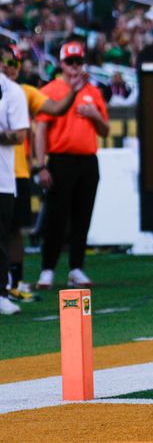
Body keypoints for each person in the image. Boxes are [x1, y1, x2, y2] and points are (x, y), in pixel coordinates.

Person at [0, 44, 78, 303]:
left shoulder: (21, 92)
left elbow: (55, 109)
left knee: (13, 230)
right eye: (5, 62)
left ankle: (15, 281)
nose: (9, 68)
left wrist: (74, 93)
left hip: (14, 171)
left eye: (13, 64)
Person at [34, 42, 109, 290]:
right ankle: (47, 269)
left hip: (87, 160)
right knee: (56, 217)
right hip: (61, 159)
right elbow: (41, 128)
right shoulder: (50, 90)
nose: (75, 67)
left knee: (82, 216)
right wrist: (41, 164)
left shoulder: (93, 92)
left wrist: (94, 115)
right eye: (70, 62)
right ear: (62, 64)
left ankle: (76, 268)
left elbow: (105, 129)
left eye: (79, 62)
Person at [0, 71, 30, 315]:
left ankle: (1, 292)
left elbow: (19, 135)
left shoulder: (12, 92)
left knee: (2, 238)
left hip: (2, 178)